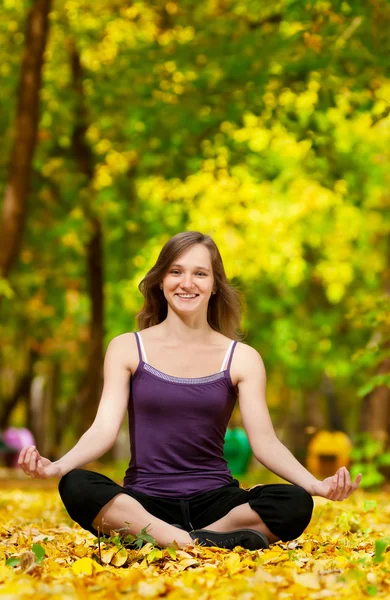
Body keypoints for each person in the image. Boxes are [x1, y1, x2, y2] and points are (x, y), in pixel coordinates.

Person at [18, 231, 362, 551]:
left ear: (214, 285)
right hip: (145, 501)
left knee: (295, 503)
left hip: (216, 502)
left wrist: (314, 485)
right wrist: (57, 467)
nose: (187, 283)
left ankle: (171, 540)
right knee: (76, 485)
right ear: (161, 282)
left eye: (200, 274)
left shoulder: (241, 358)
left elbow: (265, 443)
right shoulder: (126, 348)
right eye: (176, 272)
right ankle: (191, 540)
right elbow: (103, 429)